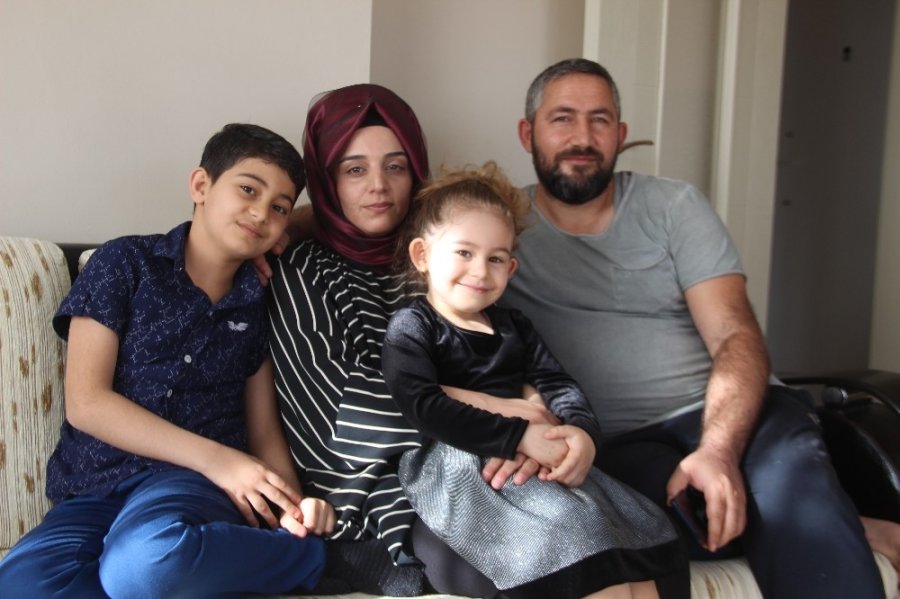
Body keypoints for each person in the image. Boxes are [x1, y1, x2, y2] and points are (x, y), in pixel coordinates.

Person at [493, 57, 887, 598]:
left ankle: (821, 514)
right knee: (680, 519)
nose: (582, 138)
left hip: (733, 416)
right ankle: (848, 524)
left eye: (599, 120)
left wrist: (718, 450)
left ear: (620, 135)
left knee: (791, 485)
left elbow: (735, 336)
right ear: (527, 133)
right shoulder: (504, 229)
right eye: (562, 119)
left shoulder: (673, 206)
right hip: (622, 445)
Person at [0, 124, 334, 597]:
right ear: (200, 185)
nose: (261, 213)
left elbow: (263, 432)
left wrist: (293, 510)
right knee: (20, 585)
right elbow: (86, 402)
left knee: (146, 564)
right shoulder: (123, 263)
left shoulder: (257, 302)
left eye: (279, 207)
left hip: (190, 490)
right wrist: (220, 460)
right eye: (247, 190)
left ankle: (309, 559)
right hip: (95, 488)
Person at [381, 162, 685, 599]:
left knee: (633, 534)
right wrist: (519, 436)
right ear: (422, 256)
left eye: (495, 259)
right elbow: (420, 403)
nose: (480, 271)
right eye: (464, 252)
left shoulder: (514, 326)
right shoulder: (414, 325)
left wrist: (581, 434)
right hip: (462, 464)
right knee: (572, 539)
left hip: (534, 454)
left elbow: (558, 384)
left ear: (511, 268)